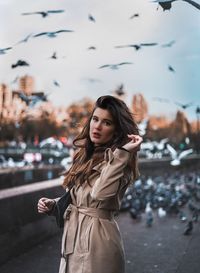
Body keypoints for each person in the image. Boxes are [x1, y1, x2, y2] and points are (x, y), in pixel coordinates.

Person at [37, 95, 143, 273]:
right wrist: (55, 204)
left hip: (98, 243)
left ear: (117, 130)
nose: (98, 126)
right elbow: (80, 197)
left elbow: (99, 194)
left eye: (107, 123)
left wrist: (122, 154)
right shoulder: (85, 155)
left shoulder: (120, 162)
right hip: (73, 241)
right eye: (95, 119)